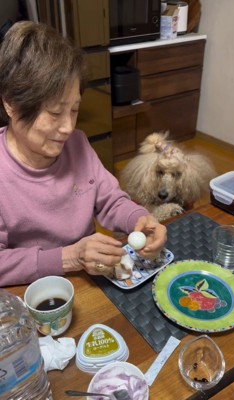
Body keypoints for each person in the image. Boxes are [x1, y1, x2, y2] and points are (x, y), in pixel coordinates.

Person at [0, 21, 167, 287]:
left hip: (92, 279)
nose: (68, 127)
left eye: (74, 110)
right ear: (10, 103)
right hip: (35, 295)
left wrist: (139, 218)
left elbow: (109, 200)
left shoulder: (77, 144)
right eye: (55, 112)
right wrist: (69, 258)